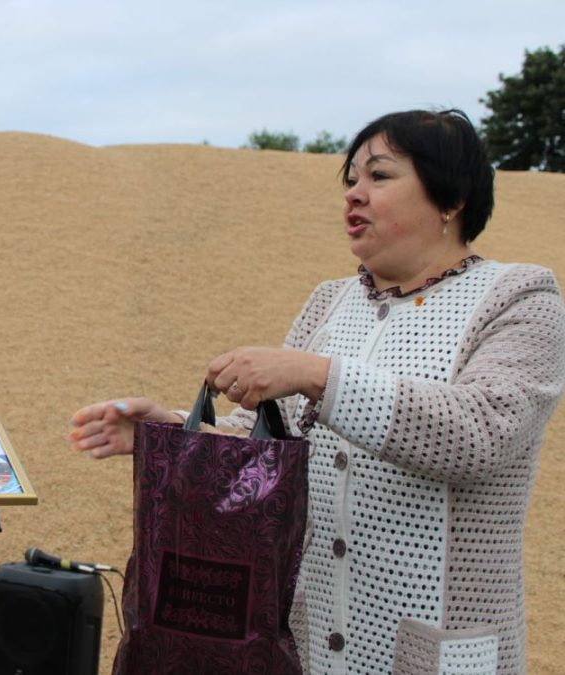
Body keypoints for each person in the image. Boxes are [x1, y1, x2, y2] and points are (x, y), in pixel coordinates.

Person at [69, 109, 565, 674]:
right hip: (310, 641)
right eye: (350, 179)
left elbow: (480, 434)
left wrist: (317, 375)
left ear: (452, 197)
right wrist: (169, 430)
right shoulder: (330, 303)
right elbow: (271, 450)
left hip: (436, 651)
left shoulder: (520, 300)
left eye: (379, 177)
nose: (354, 195)